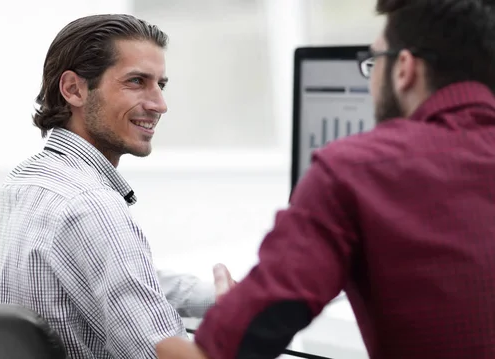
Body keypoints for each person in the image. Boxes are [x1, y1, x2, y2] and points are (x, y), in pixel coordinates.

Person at [156, 0, 495, 358]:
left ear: (404, 69)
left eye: (373, 62)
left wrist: (227, 319)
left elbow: (220, 352)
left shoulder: (354, 170)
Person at [0, 14, 235, 358]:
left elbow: (118, 280)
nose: (159, 104)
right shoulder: (91, 205)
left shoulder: (27, 181)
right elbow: (159, 352)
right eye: (137, 81)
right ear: (74, 89)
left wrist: (219, 297)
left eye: (160, 85)